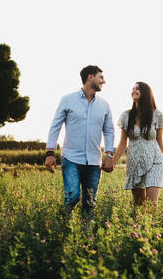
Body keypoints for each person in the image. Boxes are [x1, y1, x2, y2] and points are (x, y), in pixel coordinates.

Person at [45, 65, 114, 215]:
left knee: (89, 204)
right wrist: (50, 153)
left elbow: (109, 131)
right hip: (71, 159)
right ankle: (62, 224)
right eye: (101, 77)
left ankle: (85, 235)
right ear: (90, 77)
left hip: (94, 162)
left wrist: (109, 155)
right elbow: (55, 126)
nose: (104, 81)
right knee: (72, 196)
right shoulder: (67, 100)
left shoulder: (104, 105)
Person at [112, 82, 163, 207]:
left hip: (155, 161)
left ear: (145, 92)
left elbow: (160, 141)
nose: (134, 90)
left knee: (151, 204)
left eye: (137, 88)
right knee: (139, 204)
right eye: (133, 88)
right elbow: (122, 143)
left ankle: (152, 226)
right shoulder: (126, 116)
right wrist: (113, 162)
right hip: (135, 162)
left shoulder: (157, 115)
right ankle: (140, 226)